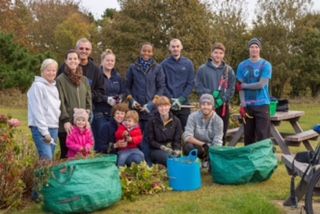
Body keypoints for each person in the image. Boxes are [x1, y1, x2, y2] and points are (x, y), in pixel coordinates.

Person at [126, 42, 165, 165]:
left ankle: (148, 163)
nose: (146, 53)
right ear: (140, 51)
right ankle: (137, 163)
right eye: (144, 50)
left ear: (152, 53)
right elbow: (127, 87)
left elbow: (161, 87)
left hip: (150, 110)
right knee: (136, 137)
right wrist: (132, 101)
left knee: (148, 138)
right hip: (136, 111)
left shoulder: (157, 68)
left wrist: (152, 103)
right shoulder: (133, 67)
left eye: (149, 51)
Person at [195, 42, 236, 145]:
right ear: (211, 53)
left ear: (223, 55)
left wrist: (223, 99)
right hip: (206, 106)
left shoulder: (228, 70)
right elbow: (198, 86)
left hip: (222, 106)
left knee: (221, 133)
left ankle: (220, 157)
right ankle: (206, 157)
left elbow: (231, 88)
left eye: (221, 53)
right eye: (216, 52)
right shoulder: (202, 69)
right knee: (205, 133)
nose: (218, 55)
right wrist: (210, 94)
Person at [56, 49, 92, 159]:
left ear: (79, 61)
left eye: (75, 58)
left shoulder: (84, 80)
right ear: (66, 61)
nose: (73, 61)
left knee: (81, 156)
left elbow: (88, 100)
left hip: (81, 125)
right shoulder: (60, 79)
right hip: (67, 125)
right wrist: (66, 120)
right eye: (70, 58)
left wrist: (88, 120)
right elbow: (60, 101)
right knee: (66, 156)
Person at [236, 38, 272, 145]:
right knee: (248, 136)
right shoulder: (242, 65)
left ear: (260, 49)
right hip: (248, 106)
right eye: (252, 47)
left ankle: (263, 160)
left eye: (256, 47)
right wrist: (242, 104)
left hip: (262, 104)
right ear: (249, 49)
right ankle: (249, 160)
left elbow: (261, 84)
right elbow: (239, 87)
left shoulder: (266, 64)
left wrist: (245, 86)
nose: (254, 49)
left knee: (262, 135)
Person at [27, 58, 61, 161]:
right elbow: (38, 111)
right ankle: (40, 177)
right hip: (40, 128)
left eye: (53, 70)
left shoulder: (54, 88)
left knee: (49, 161)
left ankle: (44, 177)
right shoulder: (37, 86)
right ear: (42, 71)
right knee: (47, 158)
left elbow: (56, 109)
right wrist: (45, 132)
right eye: (48, 70)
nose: (51, 73)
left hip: (53, 127)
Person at [94, 49, 126, 153]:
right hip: (100, 113)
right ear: (102, 61)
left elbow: (123, 91)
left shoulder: (117, 76)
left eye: (112, 61)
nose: (110, 63)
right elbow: (93, 93)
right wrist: (106, 99)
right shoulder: (96, 75)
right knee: (101, 140)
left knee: (113, 138)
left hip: (114, 114)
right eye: (107, 60)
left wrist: (120, 97)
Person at [161, 38, 195, 130]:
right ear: (169, 48)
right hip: (169, 105)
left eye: (177, 46)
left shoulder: (188, 64)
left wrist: (181, 99)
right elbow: (162, 84)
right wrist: (170, 99)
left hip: (184, 104)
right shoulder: (164, 64)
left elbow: (190, 83)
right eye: (173, 47)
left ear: (181, 47)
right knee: (168, 131)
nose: (175, 48)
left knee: (185, 131)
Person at [182, 94, 223, 162]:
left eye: (208, 104)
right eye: (203, 104)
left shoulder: (219, 121)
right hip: (196, 146)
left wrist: (210, 150)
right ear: (200, 105)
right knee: (187, 147)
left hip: (211, 148)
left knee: (218, 158)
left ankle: (207, 160)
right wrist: (203, 145)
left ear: (213, 106)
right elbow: (187, 136)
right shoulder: (192, 117)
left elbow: (218, 141)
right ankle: (194, 163)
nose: (205, 107)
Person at [148, 96, 182, 166]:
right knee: (168, 158)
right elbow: (151, 141)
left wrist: (176, 150)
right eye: (160, 106)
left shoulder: (176, 121)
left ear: (170, 106)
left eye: (165, 106)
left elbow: (177, 139)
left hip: (171, 149)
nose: (163, 108)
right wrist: (162, 147)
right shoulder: (152, 121)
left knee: (176, 157)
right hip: (157, 150)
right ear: (157, 108)